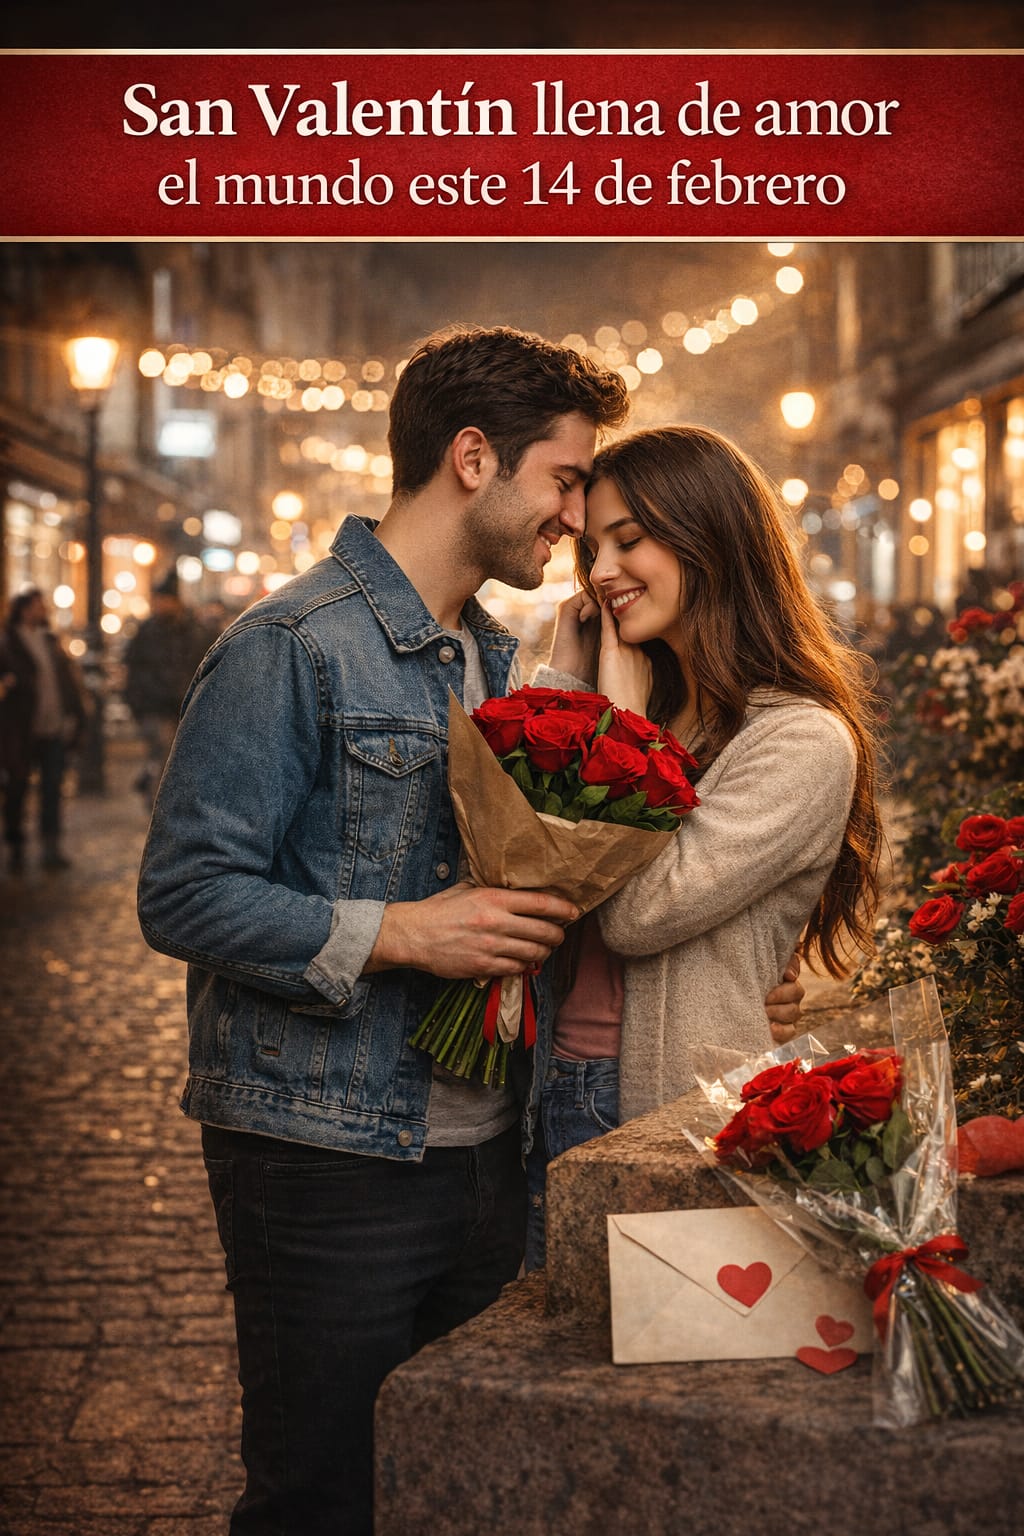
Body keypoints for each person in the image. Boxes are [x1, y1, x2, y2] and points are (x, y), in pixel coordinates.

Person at [136, 329, 803, 1536]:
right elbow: (182, 892)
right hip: (329, 1154)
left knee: (461, 1485)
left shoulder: (502, 660)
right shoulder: (292, 645)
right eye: (562, 483)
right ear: (472, 456)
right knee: (323, 1490)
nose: (571, 520)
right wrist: (403, 936)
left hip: (496, 1150)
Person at [524, 424, 883, 1268]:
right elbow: (526, 860)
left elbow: (642, 912)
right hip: (545, 1087)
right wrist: (565, 688)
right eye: (593, 549)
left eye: (630, 540)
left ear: (708, 538)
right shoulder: (655, 699)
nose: (602, 571)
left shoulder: (798, 741)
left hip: (660, 1102)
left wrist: (617, 724)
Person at [0, 587, 87, 873]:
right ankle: (16, 845)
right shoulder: (8, 643)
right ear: (25, 610)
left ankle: (51, 846)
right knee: (19, 787)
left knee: (52, 788)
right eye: (39, 606)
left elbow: (66, 680)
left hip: (53, 727)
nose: (44, 610)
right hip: (22, 730)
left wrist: (74, 713)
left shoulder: (50, 641)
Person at [123, 568, 211, 804]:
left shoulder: (194, 630)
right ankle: (161, 806)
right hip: (157, 707)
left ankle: (162, 794)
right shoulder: (148, 632)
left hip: (185, 707)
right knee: (165, 757)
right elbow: (133, 670)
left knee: (182, 760)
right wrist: (140, 704)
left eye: (163, 600)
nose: (158, 605)